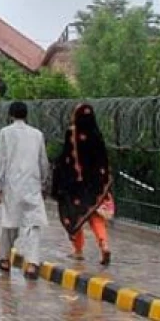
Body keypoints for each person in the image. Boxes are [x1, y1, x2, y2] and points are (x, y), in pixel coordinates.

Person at [0, 101, 50, 279]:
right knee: (33, 224)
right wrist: (44, 183)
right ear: (26, 115)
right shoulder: (37, 135)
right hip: (32, 184)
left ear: (10, 115)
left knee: (10, 222)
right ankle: (32, 264)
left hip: (12, 185)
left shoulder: (5, 133)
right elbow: (43, 161)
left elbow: (0, 160)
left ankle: (5, 259)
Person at [51, 103, 113, 266]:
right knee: (95, 215)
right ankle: (104, 244)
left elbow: (65, 158)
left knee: (74, 216)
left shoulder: (71, 133)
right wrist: (104, 179)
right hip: (93, 184)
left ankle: (78, 251)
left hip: (74, 185)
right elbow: (103, 161)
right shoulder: (96, 134)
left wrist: (59, 179)